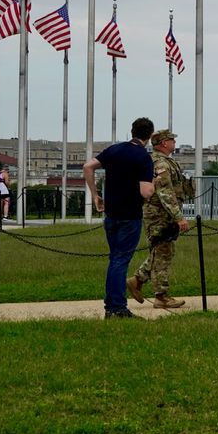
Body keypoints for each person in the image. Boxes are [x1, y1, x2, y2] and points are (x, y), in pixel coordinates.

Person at [84, 117, 156, 320]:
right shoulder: (143, 157)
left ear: (132, 131)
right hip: (130, 215)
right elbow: (146, 192)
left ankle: (112, 305)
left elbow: (88, 167)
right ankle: (116, 307)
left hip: (111, 213)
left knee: (115, 258)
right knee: (120, 260)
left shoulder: (114, 150)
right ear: (149, 136)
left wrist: (95, 194)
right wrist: (154, 181)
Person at [127, 129, 192, 310]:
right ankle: (161, 296)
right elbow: (165, 193)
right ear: (164, 143)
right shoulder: (159, 163)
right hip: (158, 215)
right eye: (172, 140)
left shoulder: (165, 161)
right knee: (162, 252)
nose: (174, 143)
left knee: (164, 251)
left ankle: (137, 280)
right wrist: (179, 217)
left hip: (164, 214)